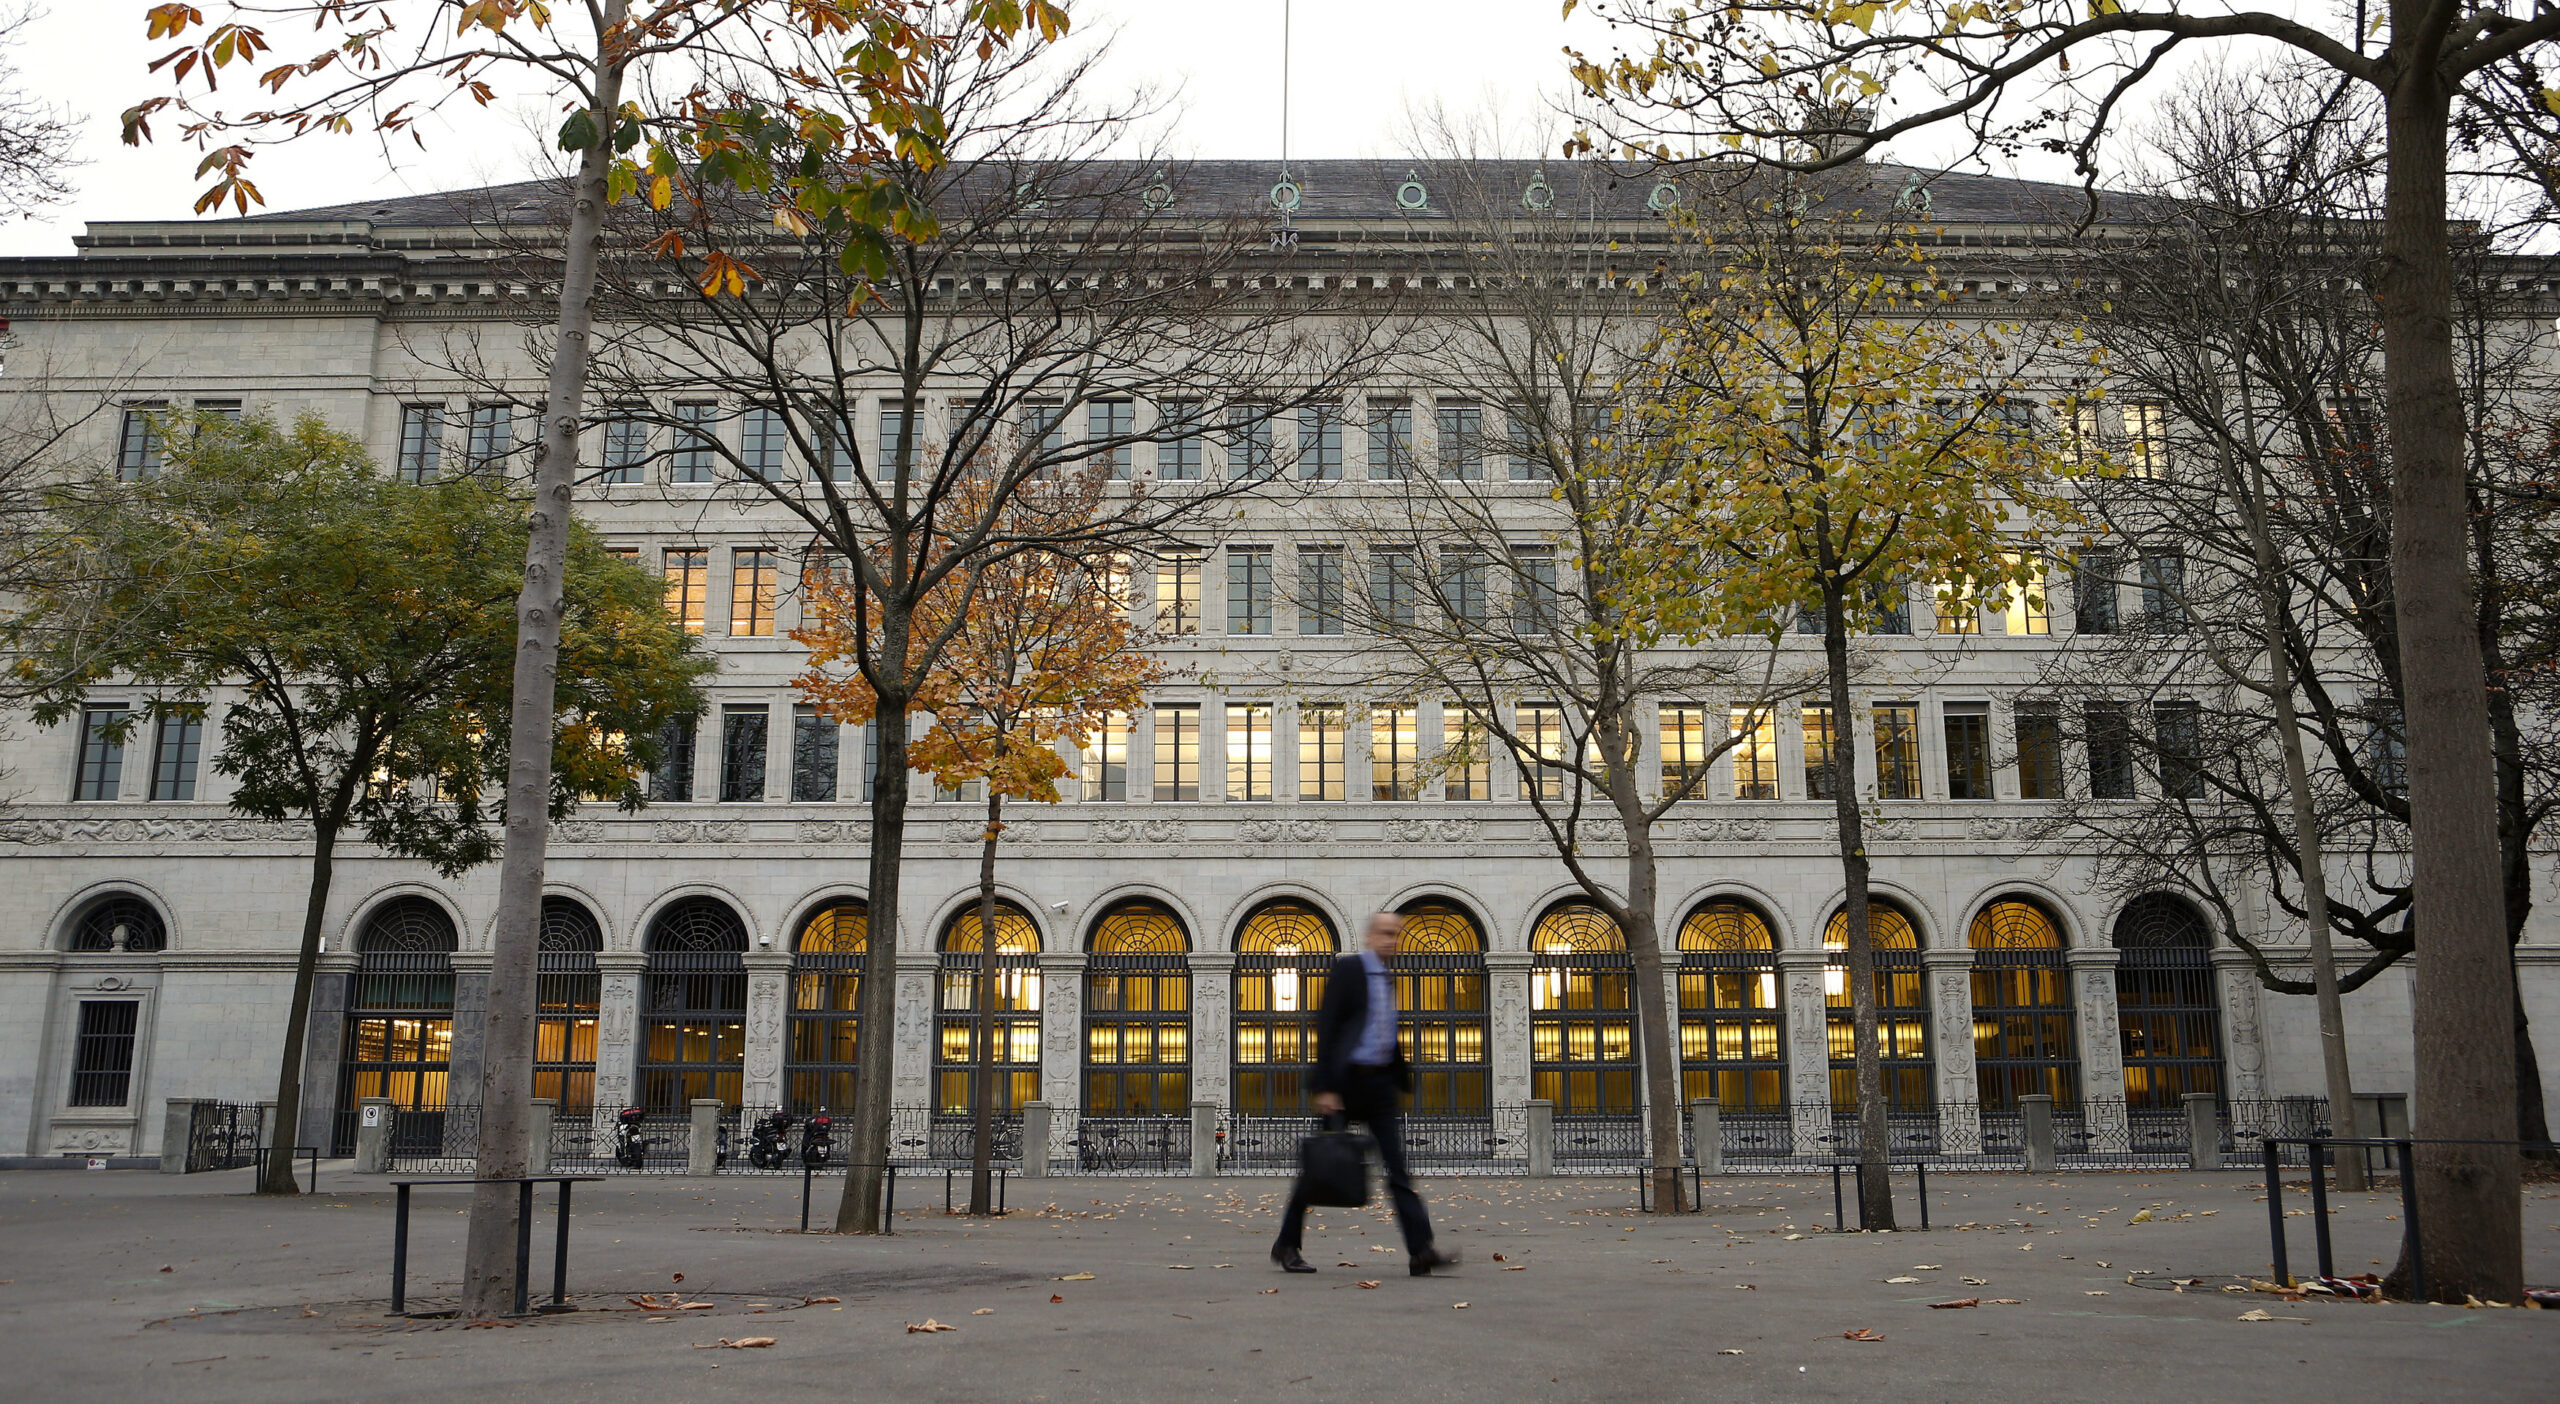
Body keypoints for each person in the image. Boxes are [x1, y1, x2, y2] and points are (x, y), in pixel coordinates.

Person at [1270, 910, 1461, 1277]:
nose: (1392, 941)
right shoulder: (1350, 970)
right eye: (1386, 934)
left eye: (1396, 935)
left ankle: (1421, 1250)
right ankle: (1287, 1244)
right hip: (1343, 1085)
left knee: (1398, 1170)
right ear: (1371, 937)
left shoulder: (1388, 979)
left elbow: (1381, 1030)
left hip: (1379, 1088)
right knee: (1318, 1169)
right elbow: (1326, 1025)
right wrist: (1325, 1086)